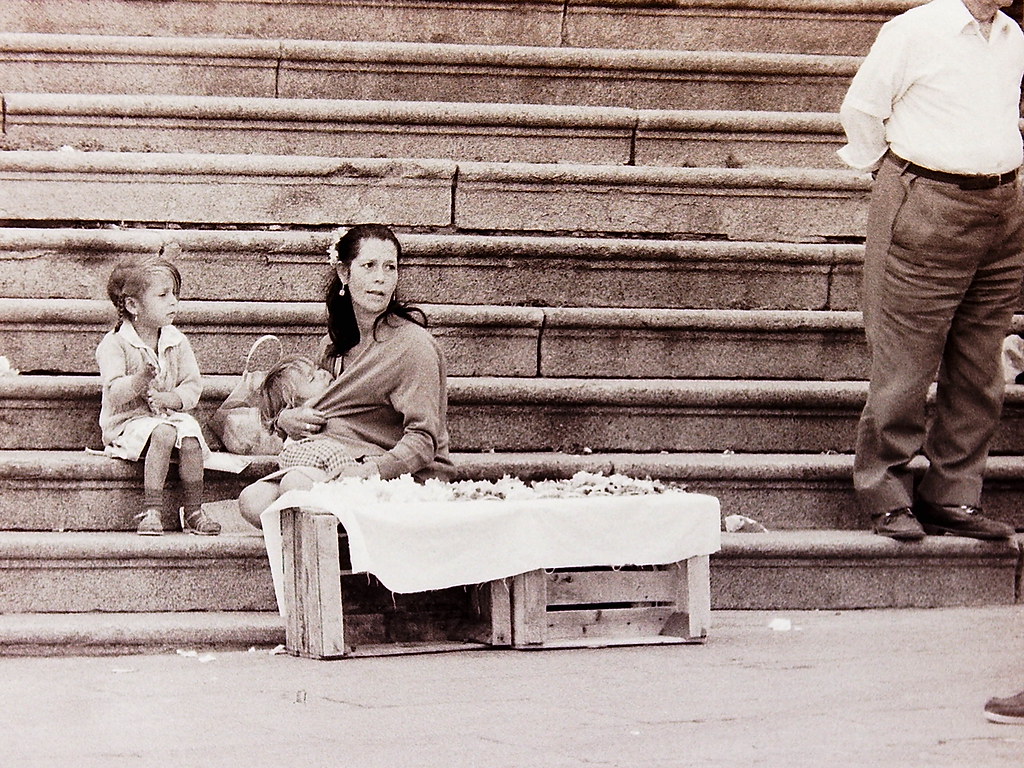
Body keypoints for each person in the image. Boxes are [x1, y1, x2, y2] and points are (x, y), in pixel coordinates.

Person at [838, 0, 1023, 541]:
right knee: (905, 362)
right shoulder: (915, 29)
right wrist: (903, 176)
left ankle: (953, 495)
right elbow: (863, 111)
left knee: (980, 365)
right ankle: (885, 490)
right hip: (927, 200)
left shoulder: (1011, 34)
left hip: (1003, 208)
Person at [237, 223, 454, 529]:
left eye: (390, 267)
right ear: (344, 274)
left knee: (296, 488)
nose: (380, 277)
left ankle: (340, 569)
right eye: (368, 266)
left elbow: (423, 440)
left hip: (396, 473)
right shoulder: (333, 345)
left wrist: (368, 470)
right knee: (253, 501)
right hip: (334, 460)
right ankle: (332, 549)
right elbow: (324, 406)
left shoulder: (413, 346)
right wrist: (287, 419)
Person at [96, 252, 221, 536]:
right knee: (164, 433)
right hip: (128, 422)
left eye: (174, 294)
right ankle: (152, 510)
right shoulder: (115, 344)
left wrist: (172, 399)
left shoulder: (176, 340)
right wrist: (140, 379)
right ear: (132, 305)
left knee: (190, 436)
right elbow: (115, 393)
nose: (173, 302)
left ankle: (194, 511)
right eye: (163, 295)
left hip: (167, 416)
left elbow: (192, 385)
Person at [254, 353, 357, 487]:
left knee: (293, 482)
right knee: (254, 495)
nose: (323, 373)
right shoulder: (302, 436)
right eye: (312, 378)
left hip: (343, 476)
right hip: (319, 470)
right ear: (294, 406)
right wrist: (282, 417)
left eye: (318, 368)